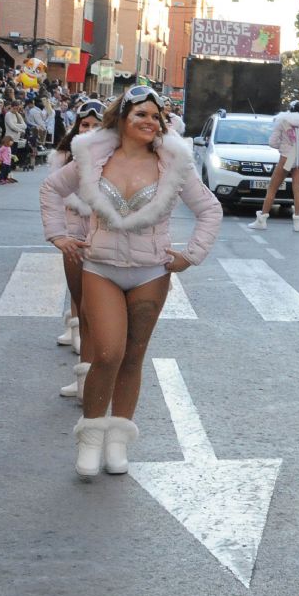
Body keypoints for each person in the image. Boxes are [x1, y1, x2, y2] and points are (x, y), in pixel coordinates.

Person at [40, 85, 222, 479]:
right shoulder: (93, 157)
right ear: (122, 119)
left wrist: (190, 255)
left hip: (151, 274)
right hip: (101, 267)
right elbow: (53, 188)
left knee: (133, 358)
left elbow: (209, 208)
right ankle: (90, 436)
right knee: (106, 353)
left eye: (156, 117)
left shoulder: (173, 164)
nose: (149, 122)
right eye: (141, 114)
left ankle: (118, 439)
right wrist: (58, 235)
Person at [50, 99, 106, 399]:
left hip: (105, 238)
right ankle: (85, 377)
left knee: (98, 307)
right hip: (74, 234)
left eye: (97, 126)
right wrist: (58, 235)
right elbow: (52, 196)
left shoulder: (115, 157)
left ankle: (100, 378)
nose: (90, 130)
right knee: (79, 295)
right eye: (85, 125)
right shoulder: (63, 159)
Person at [252, 102, 299, 231]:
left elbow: (272, 142)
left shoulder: (282, 121)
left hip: (286, 157)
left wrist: (282, 148)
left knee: (272, 188)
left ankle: (262, 220)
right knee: (297, 188)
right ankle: (297, 222)